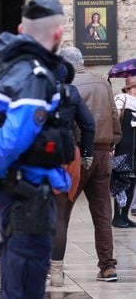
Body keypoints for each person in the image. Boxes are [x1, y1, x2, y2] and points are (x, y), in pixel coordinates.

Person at [0, 0, 74, 298]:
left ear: (22, 29)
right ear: (58, 33)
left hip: (14, 190)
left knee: (14, 282)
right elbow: (15, 136)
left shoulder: (9, 68)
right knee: (25, 286)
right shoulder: (34, 76)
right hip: (28, 194)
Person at [59, 46, 122, 281]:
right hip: (104, 152)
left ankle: (54, 265)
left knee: (61, 211)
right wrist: (113, 141)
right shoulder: (102, 83)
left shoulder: (69, 85)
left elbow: (73, 121)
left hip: (77, 153)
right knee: (103, 212)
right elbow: (114, 115)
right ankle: (108, 266)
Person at [49, 60, 95, 287]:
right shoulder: (72, 92)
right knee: (59, 216)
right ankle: (56, 272)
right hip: (67, 153)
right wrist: (87, 153)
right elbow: (88, 124)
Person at [112, 76, 136, 227]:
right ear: (128, 89)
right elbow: (114, 121)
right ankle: (117, 217)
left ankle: (125, 216)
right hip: (123, 148)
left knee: (132, 183)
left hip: (135, 151)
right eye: (133, 87)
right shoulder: (121, 100)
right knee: (121, 183)